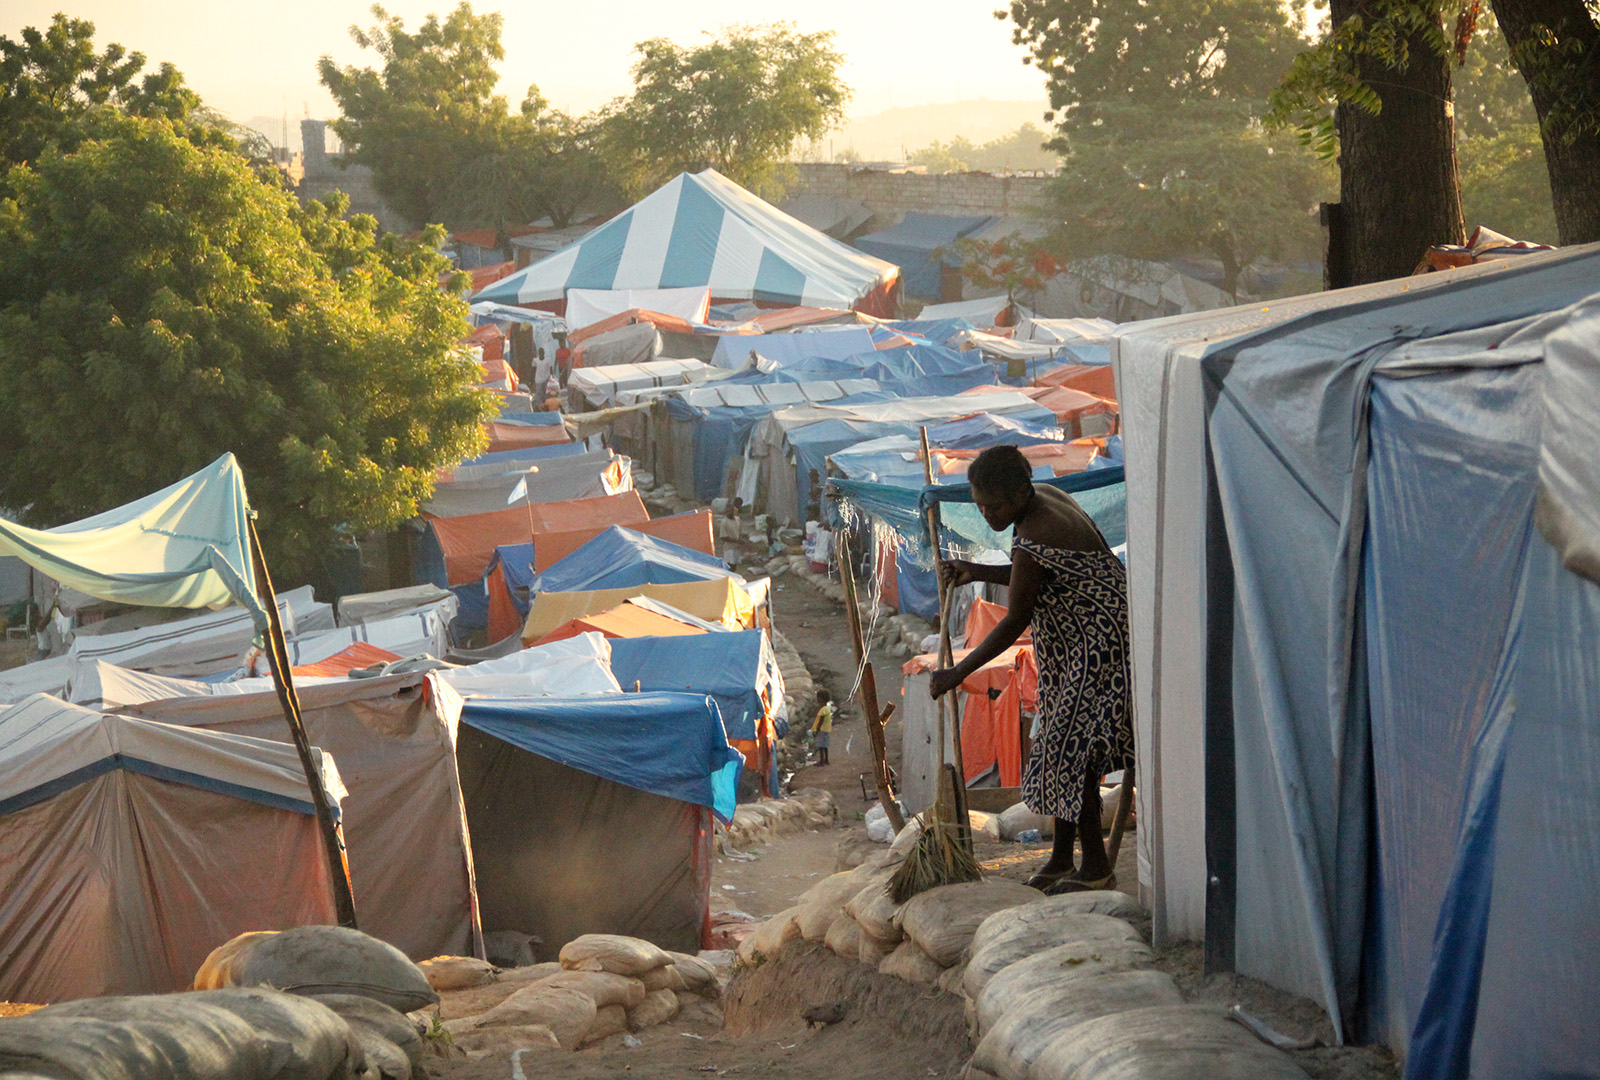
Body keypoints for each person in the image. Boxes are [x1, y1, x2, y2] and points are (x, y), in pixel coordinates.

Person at [929, 445, 1132, 893]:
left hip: (1098, 643)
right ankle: (1061, 858)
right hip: (1075, 641)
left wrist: (958, 672)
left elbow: (1016, 618)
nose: (987, 515)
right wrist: (973, 569)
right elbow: (1034, 572)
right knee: (1056, 744)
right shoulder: (1037, 499)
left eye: (995, 506)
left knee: (1073, 751)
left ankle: (1095, 868)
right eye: (980, 505)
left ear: (1020, 493)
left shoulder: (1039, 526)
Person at [811, 689, 834, 766]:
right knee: (825, 745)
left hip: (822, 730)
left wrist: (817, 729)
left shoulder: (823, 710)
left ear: (821, 700)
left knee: (820, 746)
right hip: (826, 729)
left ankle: (821, 761)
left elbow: (820, 721)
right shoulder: (827, 708)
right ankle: (826, 759)